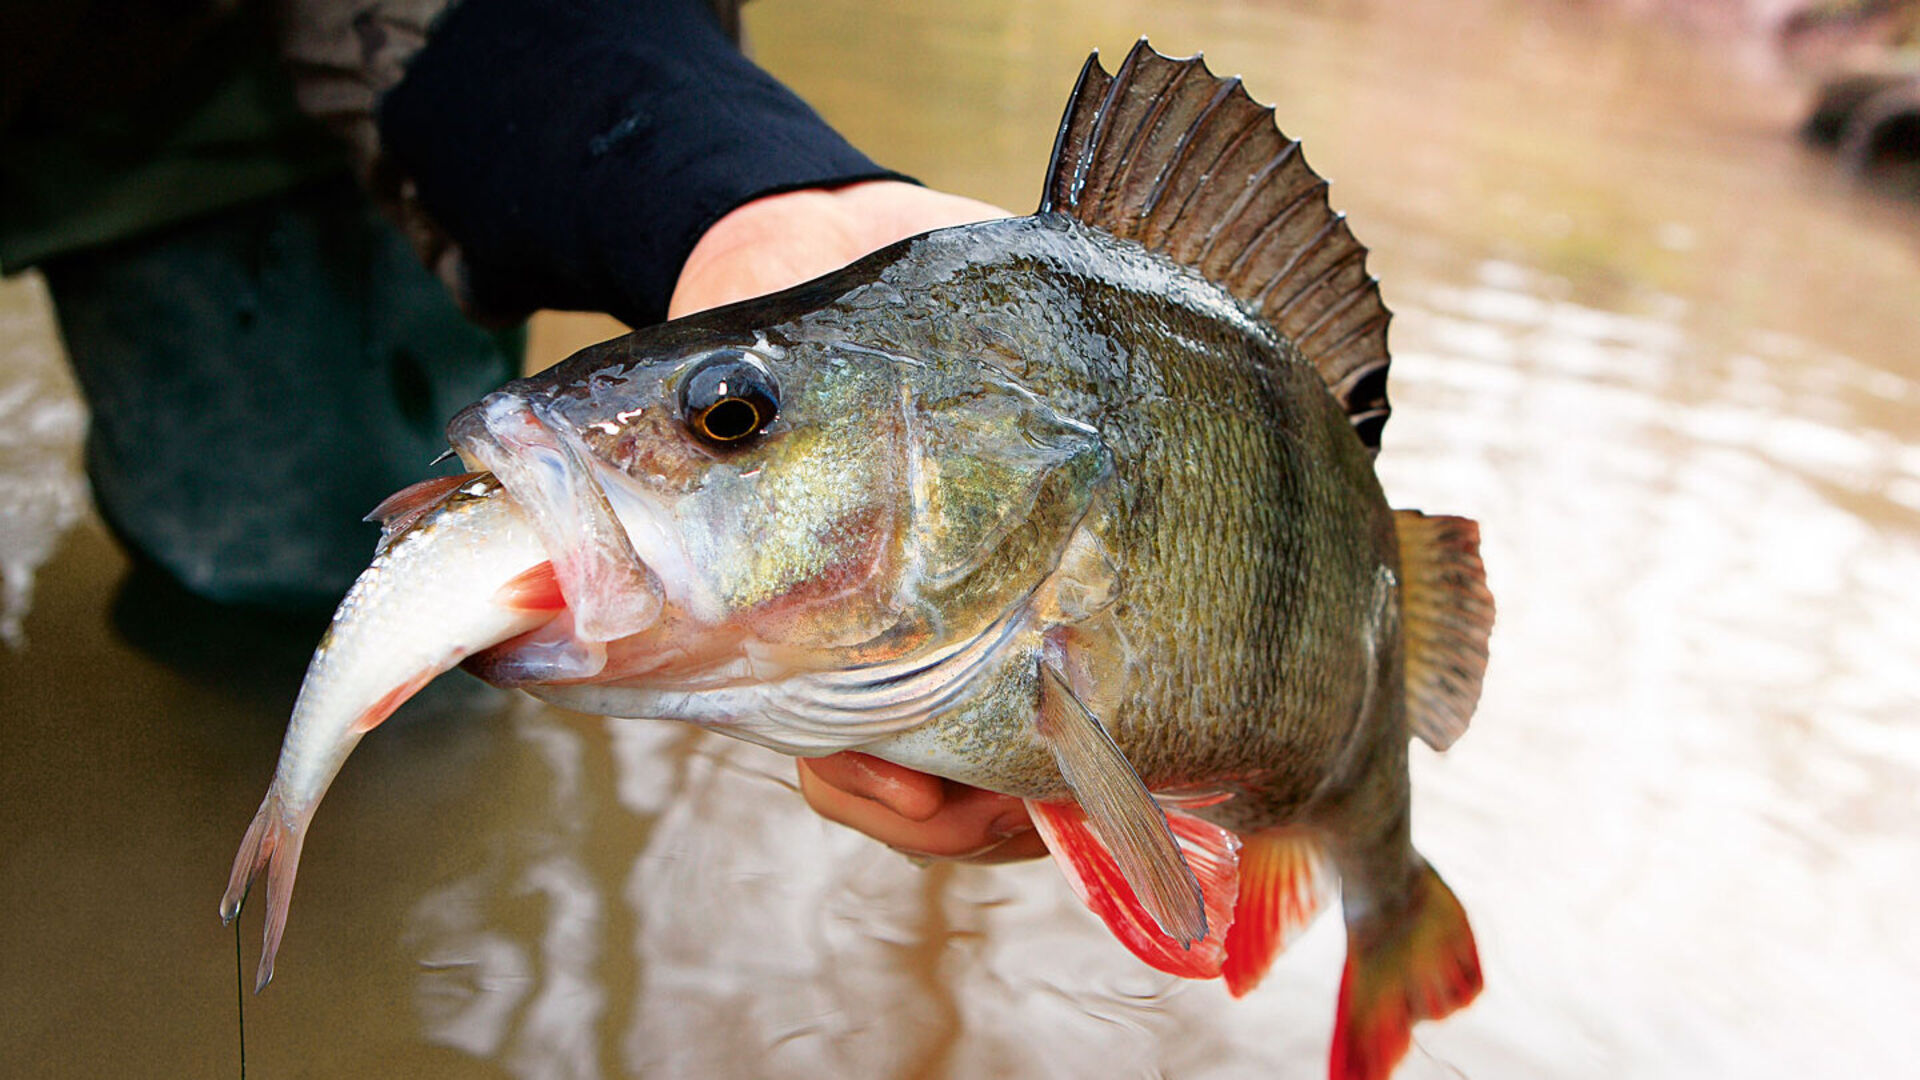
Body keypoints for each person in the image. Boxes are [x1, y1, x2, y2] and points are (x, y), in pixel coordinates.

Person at [0, 0, 1034, 860]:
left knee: (305, 553)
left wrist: (738, 192)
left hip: (189, 70)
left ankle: (386, 846)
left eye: (725, 419)